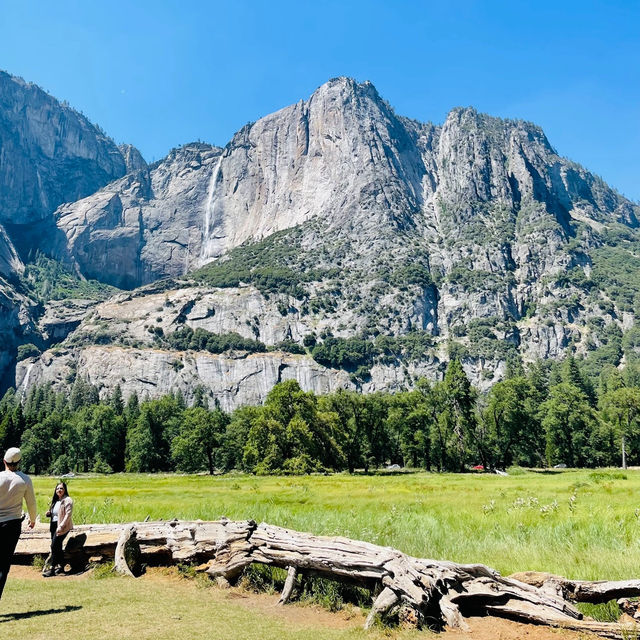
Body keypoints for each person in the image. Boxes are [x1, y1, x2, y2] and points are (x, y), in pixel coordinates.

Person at [0, 447, 36, 598]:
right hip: (12, 524)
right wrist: (33, 520)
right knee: (4, 565)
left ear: (4, 461)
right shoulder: (25, 480)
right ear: (19, 462)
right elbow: (31, 503)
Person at [42, 482, 73, 577]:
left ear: (65, 490)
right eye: (57, 489)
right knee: (57, 546)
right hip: (53, 525)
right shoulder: (56, 500)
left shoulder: (67, 500)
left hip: (62, 527)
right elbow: (56, 513)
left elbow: (68, 515)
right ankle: (61, 567)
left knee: (54, 546)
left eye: (61, 488)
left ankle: (52, 569)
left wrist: (61, 526)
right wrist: (49, 513)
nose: (59, 490)